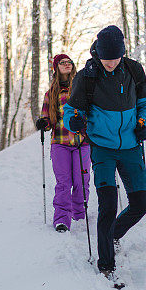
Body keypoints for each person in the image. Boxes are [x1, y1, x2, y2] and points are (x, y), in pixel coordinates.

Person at [63, 25, 146, 276]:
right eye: (106, 58)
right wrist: (75, 121)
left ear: (122, 54)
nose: (110, 63)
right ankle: (106, 264)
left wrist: (143, 124)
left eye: (115, 58)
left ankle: (114, 234)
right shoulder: (87, 76)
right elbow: (72, 110)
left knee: (140, 203)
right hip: (102, 147)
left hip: (131, 146)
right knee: (108, 204)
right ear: (98, 54)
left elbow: (145, 103)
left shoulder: (134, 70)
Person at [35, 54, 91, 233]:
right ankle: (61, 219)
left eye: (69, 62)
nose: (67, 65)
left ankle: (79, 214)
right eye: (62, 63)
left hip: (82, 141)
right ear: (56, 68)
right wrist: (43, 123)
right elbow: (47, 118)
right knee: (64, 182)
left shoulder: (82, 88)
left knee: (82, 180)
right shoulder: (51, 93)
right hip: (60, 142)